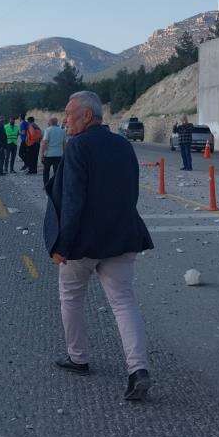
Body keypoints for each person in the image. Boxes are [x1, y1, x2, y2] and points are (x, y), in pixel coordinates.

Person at [44, 90, 154, 401]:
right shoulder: (123, 144)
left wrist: (62, 245)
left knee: (71, 298)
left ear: (87, 116)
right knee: (124, 303)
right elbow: (131, 192)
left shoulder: (78, 146)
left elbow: (72, 200)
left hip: (84, 242)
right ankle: (138, 370)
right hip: (121, 236)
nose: (65, 120)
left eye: (70, 114)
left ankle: (78, 357)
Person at [40, 116, 65, 185]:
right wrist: (64, 153)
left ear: (50, 122)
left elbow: (44, 143)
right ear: (57, 122)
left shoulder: (48, 130)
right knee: (57, 172)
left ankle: (46, 185)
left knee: (46, 171)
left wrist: (42, 154)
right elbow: (64, 143)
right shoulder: (62, 131)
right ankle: (55, 185)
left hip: (49, 154)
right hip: (59, 154)